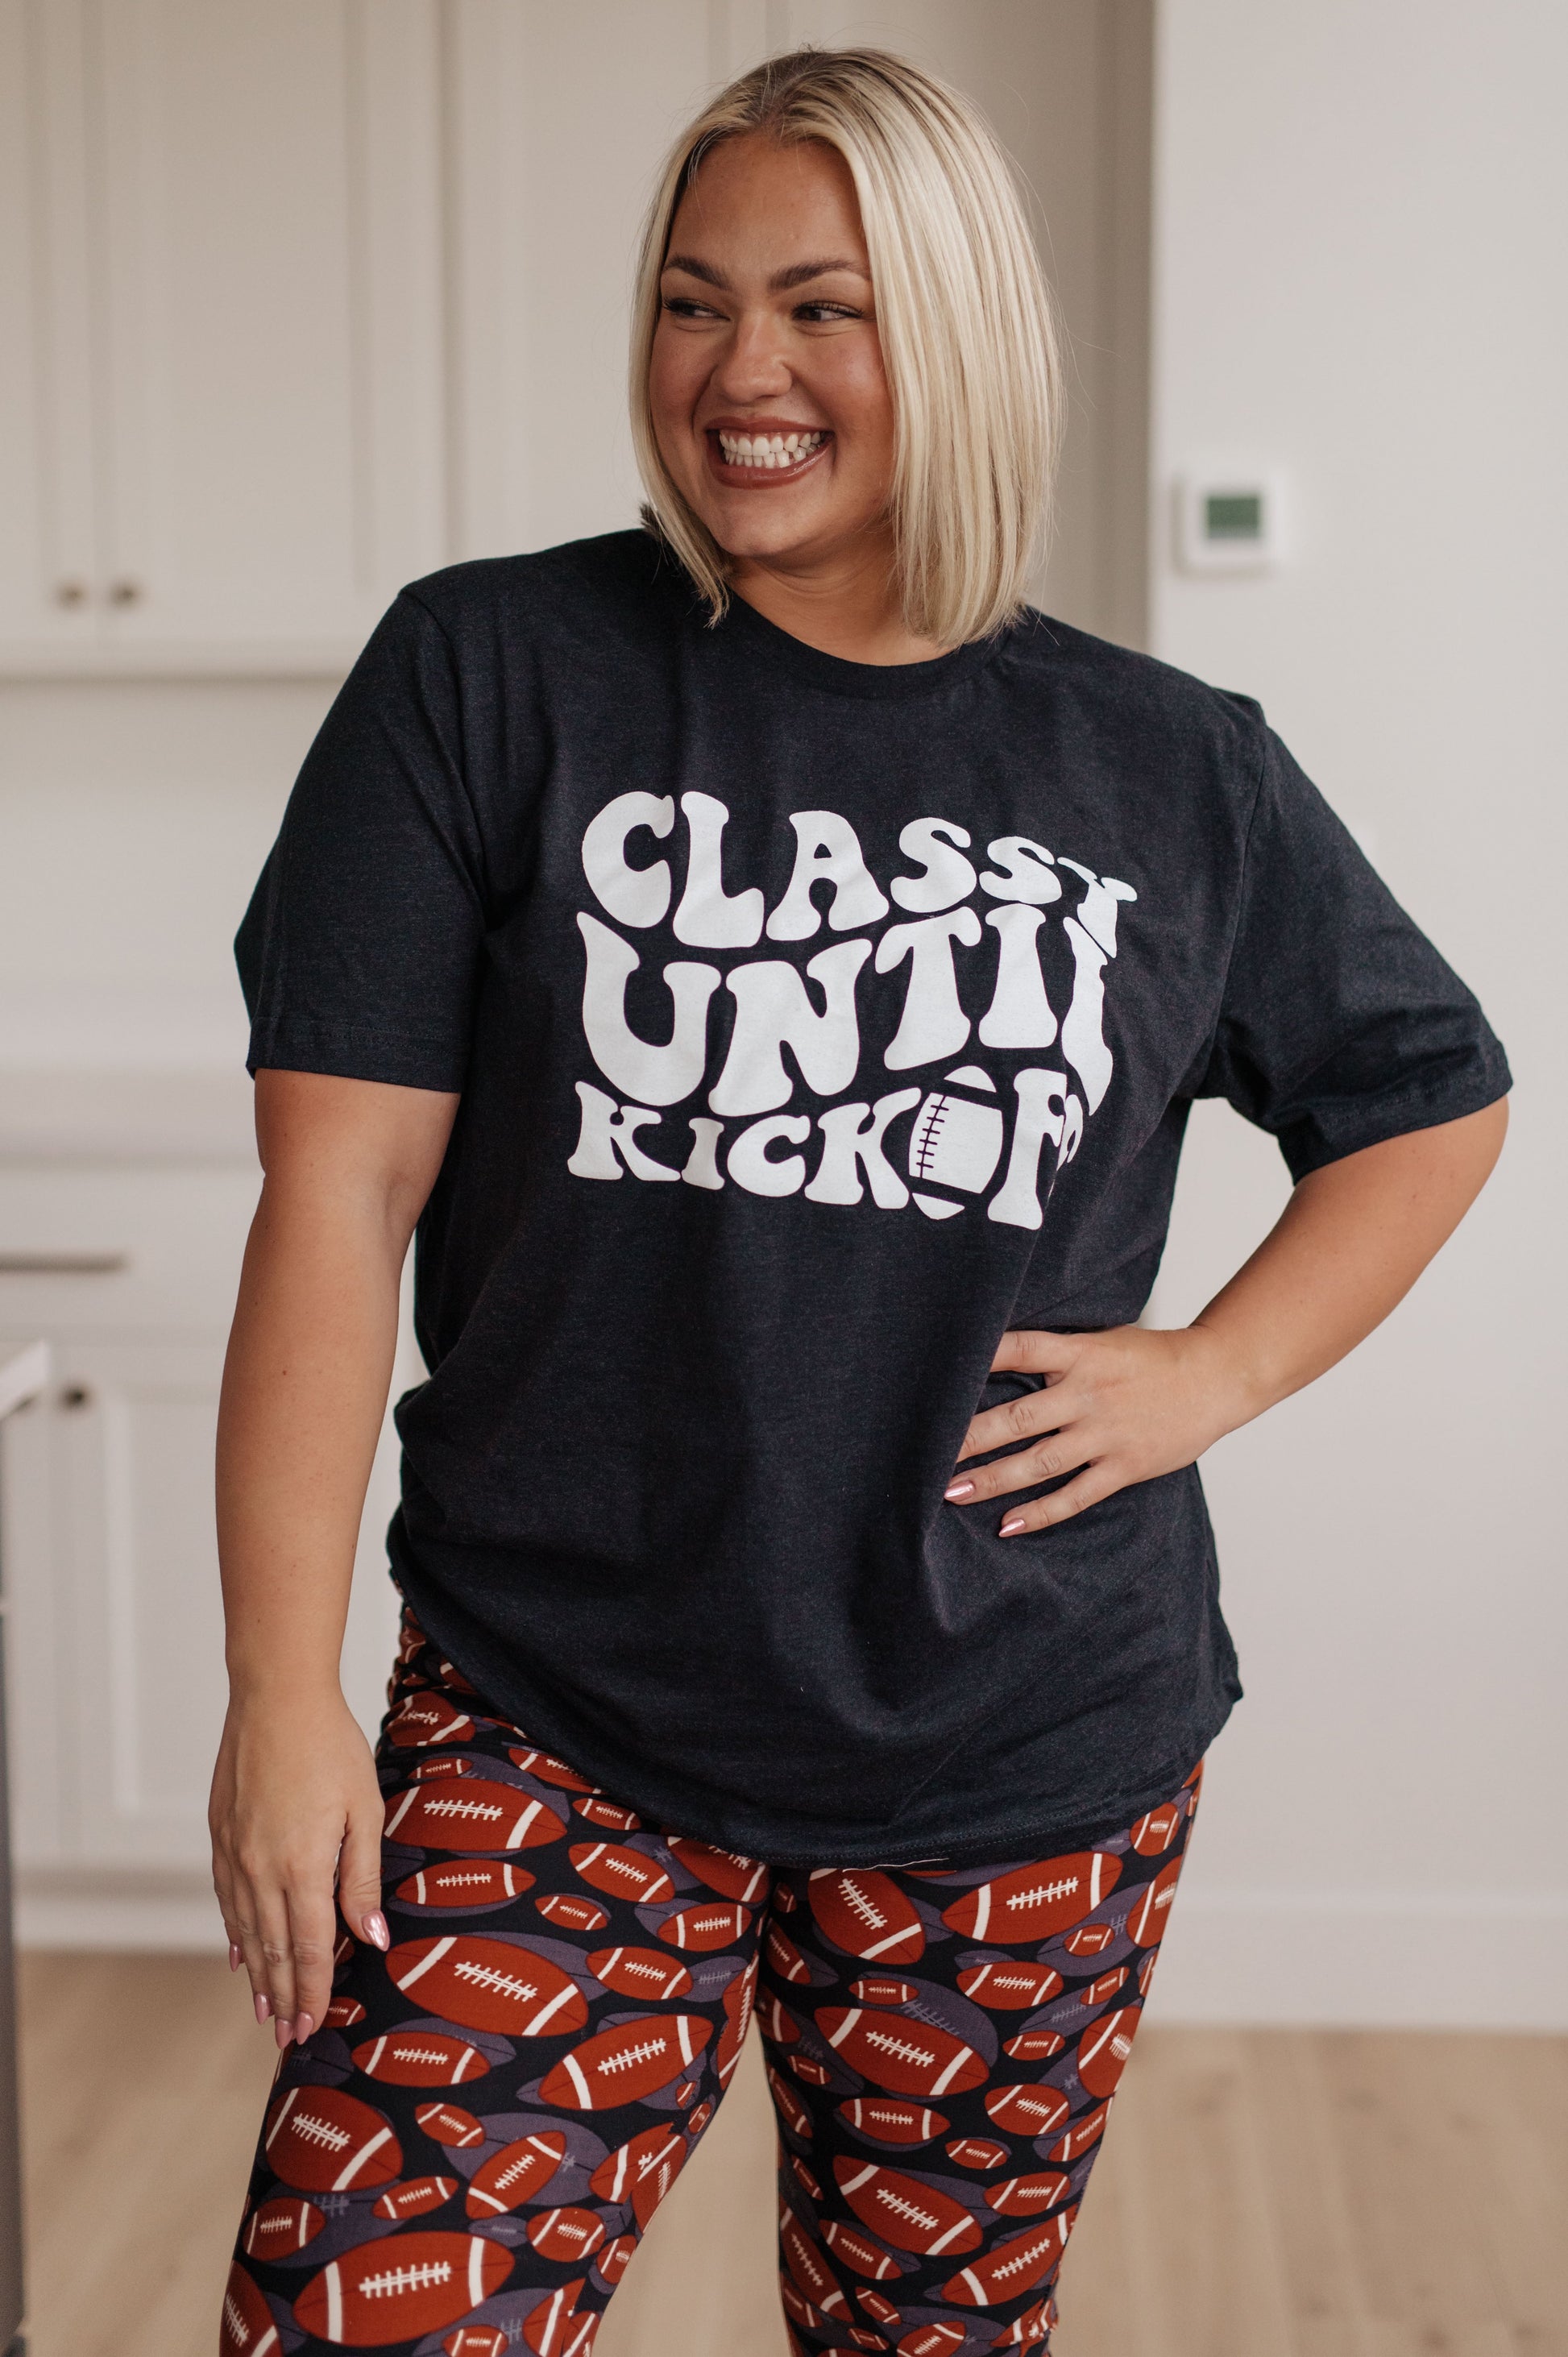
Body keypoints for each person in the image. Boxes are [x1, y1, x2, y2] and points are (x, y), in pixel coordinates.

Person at [210, 46, 1508, 2357]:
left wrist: (1215, 1371)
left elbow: (1428, 1099)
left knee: (929, 2342)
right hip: (550, 1713)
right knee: (359, 2322)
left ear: (959, 334)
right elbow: (338, 1193)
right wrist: (275, 1692)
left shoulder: (1167, 766)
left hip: (1019, 1743)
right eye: (693, 302)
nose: (744, 371)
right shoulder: (491, 676)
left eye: (826, 308)